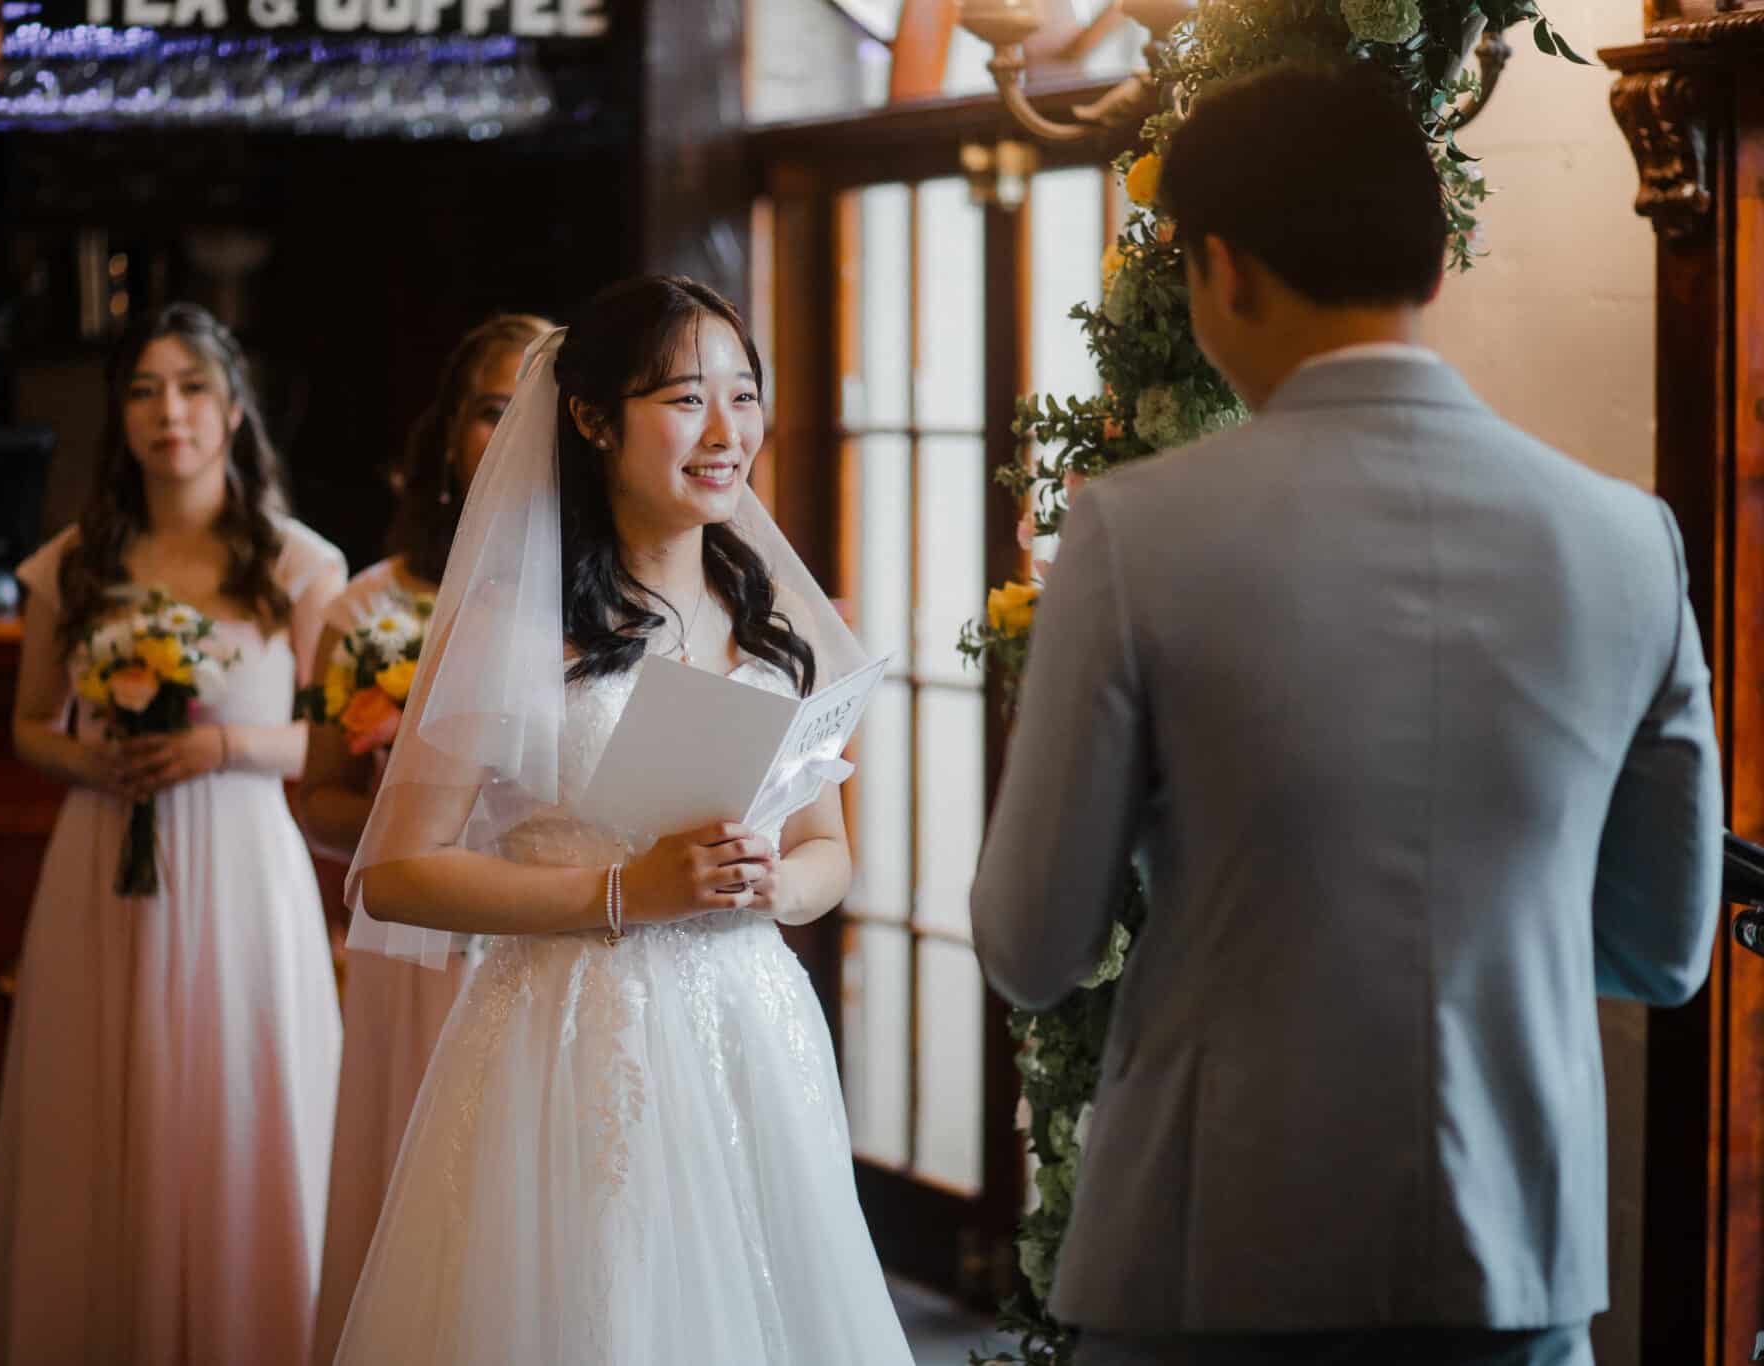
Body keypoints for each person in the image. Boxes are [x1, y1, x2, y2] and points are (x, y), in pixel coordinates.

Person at [970, 64, 1721, 1366]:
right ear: (1431, 270)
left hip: (1213, 1263)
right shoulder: (1627, 543)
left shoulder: (1138, 535)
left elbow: (1037, 945)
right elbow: (1664, 948)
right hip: (1514, 1265)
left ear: (1223, 269)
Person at [331, 276, 913, 1364]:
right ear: (594, 419)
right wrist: (618, 893)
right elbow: (395, 874)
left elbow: (828, 850)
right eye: (685, 398)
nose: (725, 431)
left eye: (743, 396)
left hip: (749, 1020)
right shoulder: (514, 624)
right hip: (569, 1030)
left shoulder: (773, 618)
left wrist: (772, 884)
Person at [0, 302, 346, 1366]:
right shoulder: (73, 562)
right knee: (101, 1100)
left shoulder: (296, 563)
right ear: (120, 417)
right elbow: (28, 724)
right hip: (102, 860)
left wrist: (218, 750)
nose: (165, 411)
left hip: (242, 862)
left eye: (189, 387)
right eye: (142, 390)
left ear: (232, 411)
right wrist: (95, 759)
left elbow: (323, 741)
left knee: (240, 1097)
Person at [300, 311, 552, 1366]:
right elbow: (314, 800)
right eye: (494, 408)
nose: (516, 430)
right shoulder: (367, 607)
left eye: (538, 407)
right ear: (450, 437)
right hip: (413, 953)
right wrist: (420, 802)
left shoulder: (609, 608)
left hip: (548, 938)